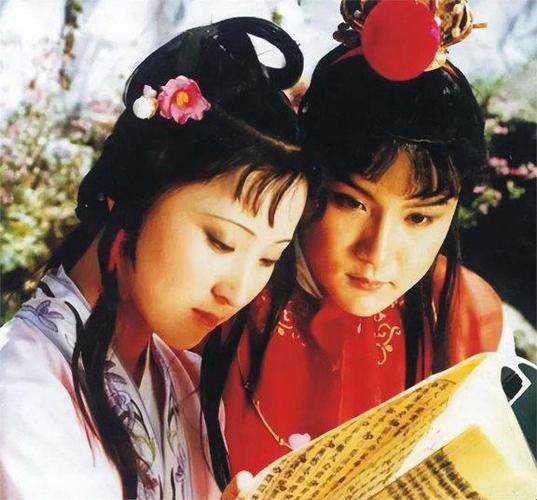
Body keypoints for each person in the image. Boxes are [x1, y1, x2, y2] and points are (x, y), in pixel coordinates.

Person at [0, 17, 314, 499]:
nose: (237, 290)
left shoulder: (185, 386)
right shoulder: (22, 390)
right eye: (221, 241)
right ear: (128, 195)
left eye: (268, 259)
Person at [200, 0, 508, 487]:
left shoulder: (471, 320)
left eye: (420, 217)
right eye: (350, 202)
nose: (378, 253)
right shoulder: (221, 295)